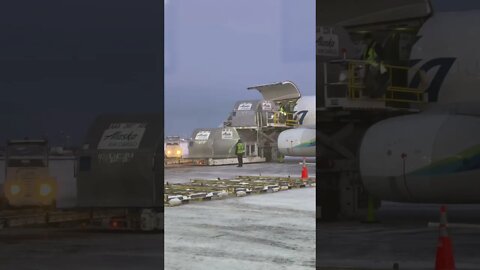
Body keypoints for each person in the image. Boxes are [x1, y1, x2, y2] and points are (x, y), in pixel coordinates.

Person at [362, 33, 387, 98]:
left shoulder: (376, 46)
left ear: (369, 39)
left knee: (376, 83)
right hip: (371, 68)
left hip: (376, 69)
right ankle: (372, 94)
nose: (365, 42)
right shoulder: (369, 47)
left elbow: (381, 59)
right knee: (369, 82)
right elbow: (365, 58)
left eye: (366, 40)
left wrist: (375, 66)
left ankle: (376, 95)